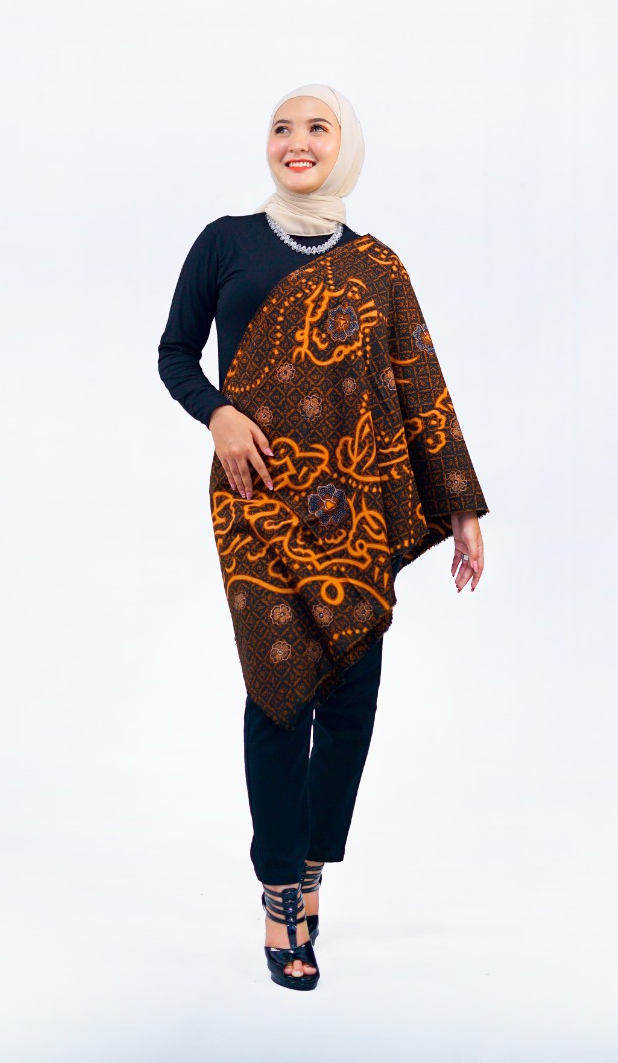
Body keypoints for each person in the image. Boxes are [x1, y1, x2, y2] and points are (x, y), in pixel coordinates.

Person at [157, 83, 489, 991]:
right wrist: (219, 413)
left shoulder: (377, 267)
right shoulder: (226, 242)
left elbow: (421, 383)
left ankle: (310, 871)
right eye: (281, 127)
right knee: (277, 697)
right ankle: (278, 898)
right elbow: (174, 352)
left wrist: (460, 507)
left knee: (348, 706)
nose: (296, 142)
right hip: (257, 505)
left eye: (317, 128)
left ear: (346, 146)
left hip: (354, 514)